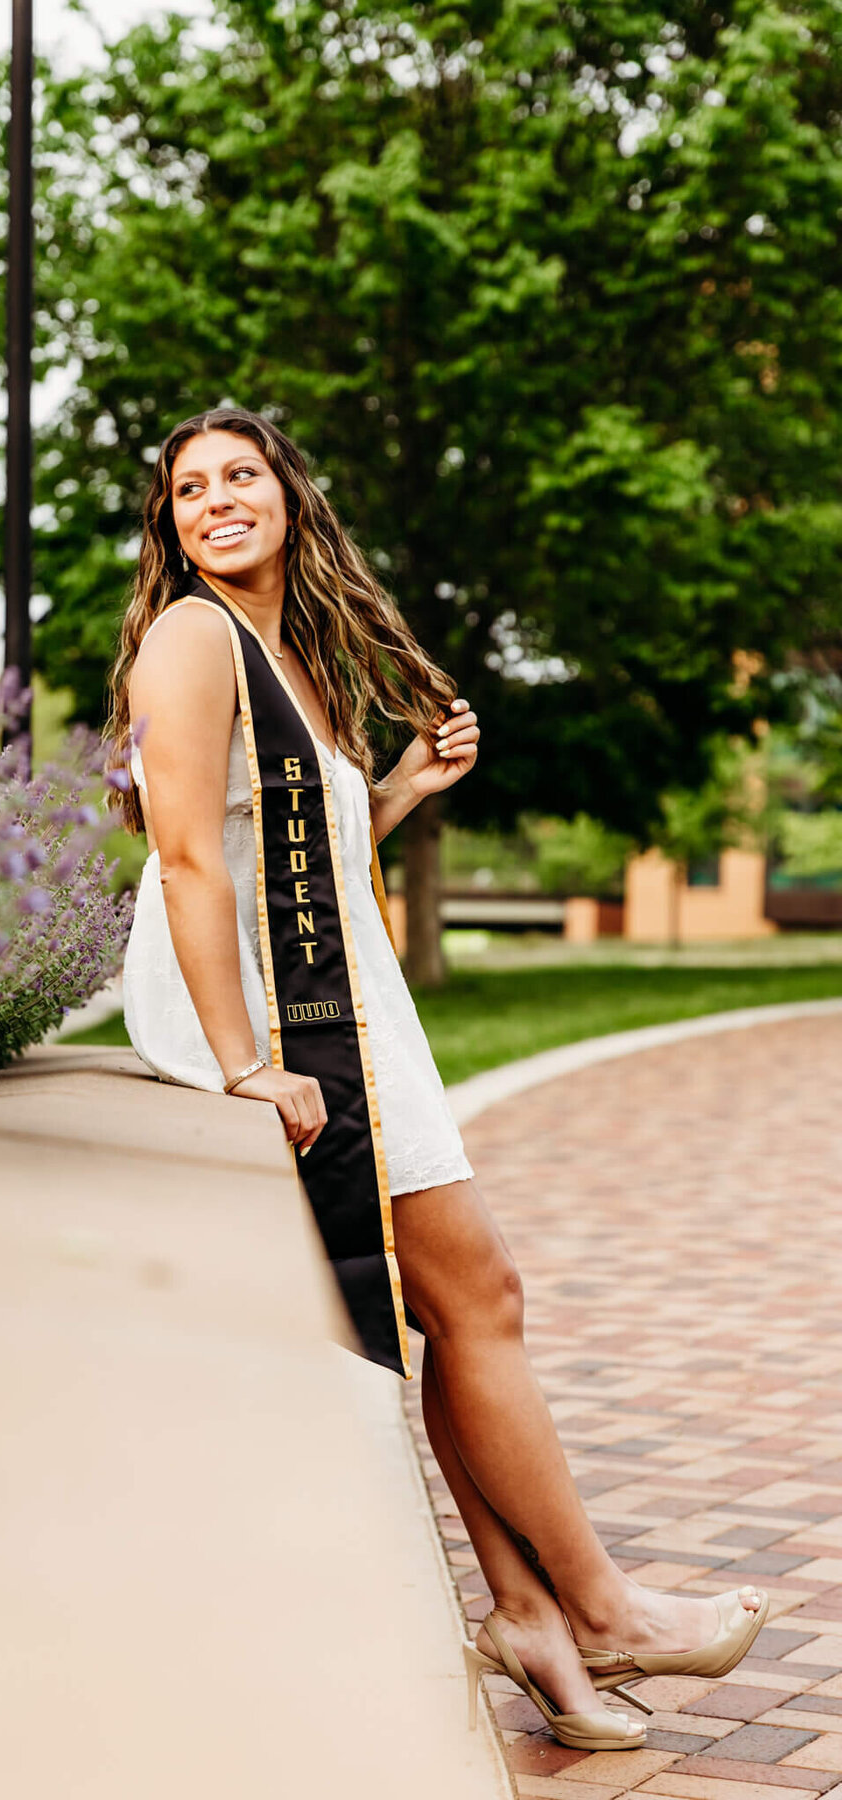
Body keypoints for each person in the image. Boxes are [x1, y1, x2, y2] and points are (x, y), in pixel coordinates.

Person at [107, 407, 767, 1750]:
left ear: (291, 495)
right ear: (168, 525)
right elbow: (186, 861)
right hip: (288, 1028)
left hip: (344, 1004)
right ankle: (601, 1607)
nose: (219, 500)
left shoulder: (282, 651)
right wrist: (245, 1066)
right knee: (484, 1296)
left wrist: (396, 791)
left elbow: (294, 856)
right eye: (191, 489)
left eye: (243, 475)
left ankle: (530, 1621)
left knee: (447, 1313)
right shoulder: (192, 637)